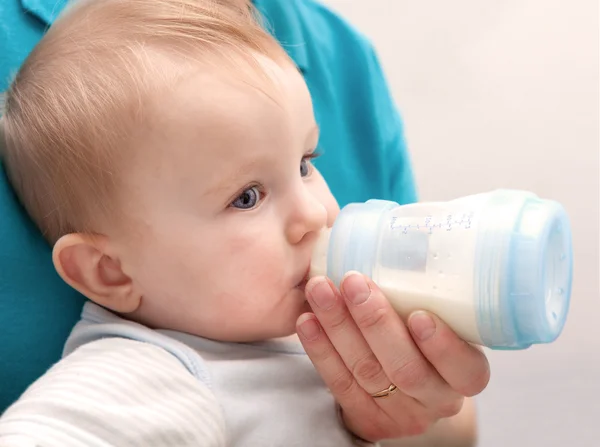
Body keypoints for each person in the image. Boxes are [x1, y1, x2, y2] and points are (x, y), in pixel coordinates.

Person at [0, 0, 489, 445]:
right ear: (110, 271)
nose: (314, 214)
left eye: (304, 163)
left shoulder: (300, 343)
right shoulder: (159, 378)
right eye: (247, 198)